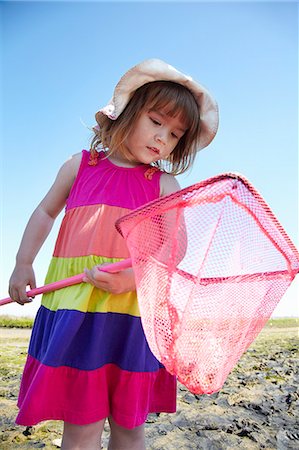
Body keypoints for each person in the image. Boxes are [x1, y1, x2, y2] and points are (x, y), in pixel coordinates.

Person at [8, 58, 219, 450]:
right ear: (127, 113)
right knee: (81, 427)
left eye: (174, 134)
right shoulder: (79, 166)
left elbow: (174, 248)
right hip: (75, 313)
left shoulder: (164, 185)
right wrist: (23, 263)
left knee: (128, 427)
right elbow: (44, 212)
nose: (162, 138)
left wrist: (131, 278)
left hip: (131, 316)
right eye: (156, 121)